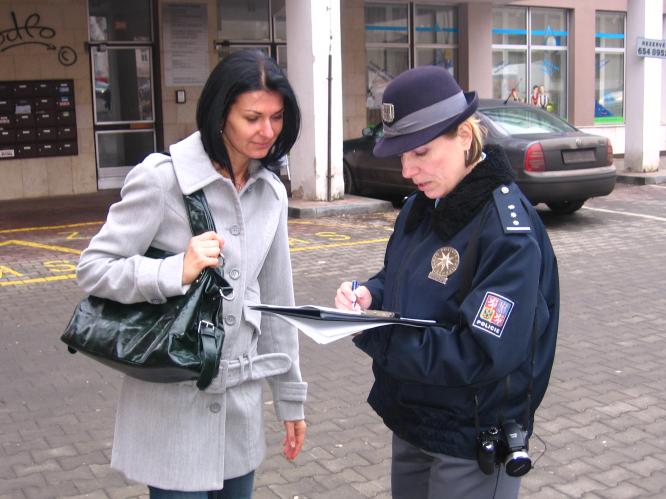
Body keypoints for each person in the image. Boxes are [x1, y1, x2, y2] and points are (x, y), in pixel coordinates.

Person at [76, 49, 307, 498]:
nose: (267, 132)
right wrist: (173, 270)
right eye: (253, 117)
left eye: (277, 118)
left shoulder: (271, 193)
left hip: (239, 413)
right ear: (221, 115)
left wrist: (290, 400)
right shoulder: (163, 180)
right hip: (171, 408)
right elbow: (94, 270)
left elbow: (278, 304)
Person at [334, 65, 559, 499]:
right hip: (414, 417)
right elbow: (407, 277)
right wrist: (369, 293)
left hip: (470, 435)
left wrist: (373, 334)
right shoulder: (423, 204)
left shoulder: (507, 230)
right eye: (400, 155)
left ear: (463, 135)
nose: (407, 170)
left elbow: (479, 351)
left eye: (420, 152)